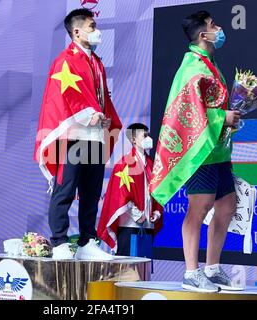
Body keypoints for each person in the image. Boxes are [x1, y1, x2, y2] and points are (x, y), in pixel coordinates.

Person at [150, 11, 242, 292]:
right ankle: (191, 272)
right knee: (199, 208)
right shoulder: (192, 67)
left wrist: (231, 117)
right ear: (203, 35)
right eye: (214, 25)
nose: (219, 28)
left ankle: (212, 269)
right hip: (198, 151)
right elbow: (188, 114)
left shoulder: (209, 64)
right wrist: (221, 118)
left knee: (226, 207)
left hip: (218, 151)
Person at [34, 9, 122, 260]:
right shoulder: (65, 60)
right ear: (77, 31)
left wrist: (103, 116)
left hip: (94, 135)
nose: (97, 31)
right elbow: (64, 93)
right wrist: (87, 114)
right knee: (65, 188)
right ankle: (60, 241)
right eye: (92, 26)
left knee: (91, 192)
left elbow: (100, 97)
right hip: (73, 134)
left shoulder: (95, 62)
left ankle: (86, 241)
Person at [97, 123, 163, 256]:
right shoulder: (124, 164)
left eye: (148, 135)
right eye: (144, 136)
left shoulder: (152, 164)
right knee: (127, 270)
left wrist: (156, 211)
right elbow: (120, 195)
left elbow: (156, 190)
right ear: (133, 139)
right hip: (130, 224)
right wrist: (137, 215)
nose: (148, 138)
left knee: (143, 267)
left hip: (147, 223)